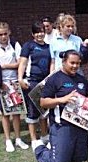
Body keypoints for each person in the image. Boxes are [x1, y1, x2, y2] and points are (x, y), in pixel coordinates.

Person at [33, 50, 88, 162]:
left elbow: (86, 102)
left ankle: (62, 147)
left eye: (78, 63)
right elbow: (43, 102)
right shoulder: (54, 79)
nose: (75, 66)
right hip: (62, 125)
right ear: (64, 62)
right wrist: (62, 99)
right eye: (72, 63)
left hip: (79, 125)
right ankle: (40, 148)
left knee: (81, 158)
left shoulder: (82, 80)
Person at [0, 22, 29, 152]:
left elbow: (20, 62)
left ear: (9, 32)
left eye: (5, 34)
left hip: (14, 82)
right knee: (5, 113)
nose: (3, 37)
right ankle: (8, 140)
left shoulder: (15, 44)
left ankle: (18, 138)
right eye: (0, 34)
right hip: (1, 84)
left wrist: (4, 66)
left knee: (17, 112)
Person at [18, 21, 51, 149]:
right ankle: (34, 140)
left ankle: (44, 136)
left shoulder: (49, 47)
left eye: (42, 31)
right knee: (32, 111)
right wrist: (20, 78)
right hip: (31, 82)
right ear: (33, 34)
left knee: (44, 110)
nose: (40, 34)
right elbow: (23, 63)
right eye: (37, 32)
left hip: (45, 82)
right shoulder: (28, 46)